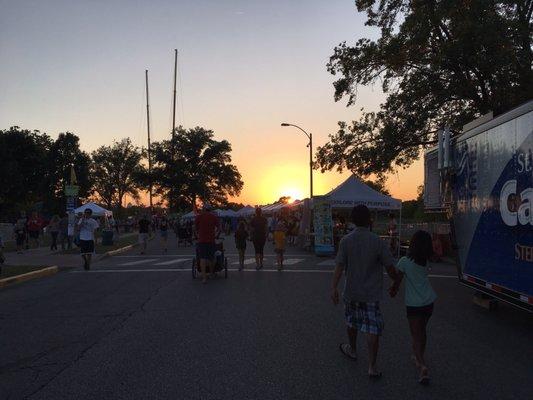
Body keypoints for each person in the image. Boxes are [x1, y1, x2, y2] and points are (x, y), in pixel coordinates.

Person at [331, 205, 400, 379]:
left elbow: (339, 266)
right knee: (372, 328)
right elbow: (390, 267)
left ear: (353, 220)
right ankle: (372, 366)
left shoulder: (345, 241)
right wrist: (395, 283)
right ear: (369, 219)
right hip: (371, 293)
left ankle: (352, 349)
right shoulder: (378, 241)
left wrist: (334, 288)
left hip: (351, 291)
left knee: (352, 321)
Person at [389, 231, 437, 385]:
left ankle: (422, 366)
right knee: (422, 332)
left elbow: (397, 280)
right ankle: (418, 357)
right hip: (429, 302)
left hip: (414, 304)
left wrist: (393, 290)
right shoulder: (425, 260)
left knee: (415, 336)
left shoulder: (404, 261)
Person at [195, 203, 220, 283]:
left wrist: (197, 235)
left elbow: (195, 228)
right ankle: (211, 273)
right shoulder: (214, 217)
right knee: (211, 258)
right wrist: (216, 235)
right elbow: (219, 228)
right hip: (211, 240)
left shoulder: (199, 216)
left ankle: (204, 277)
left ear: (203, 209)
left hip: (201, 240)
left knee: (202, 258)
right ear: (210, 209)